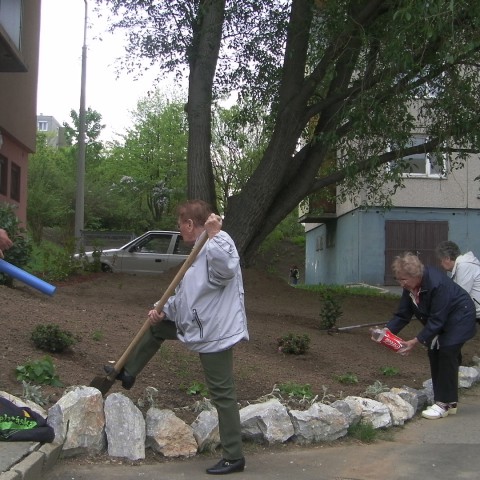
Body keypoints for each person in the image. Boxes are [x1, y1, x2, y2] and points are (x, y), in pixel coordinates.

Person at [105, 200, 249, 475]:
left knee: (223, 393)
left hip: (214, 331)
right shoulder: (198, 249)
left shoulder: (219, 243)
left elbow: (227, 269)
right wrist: (163, 309)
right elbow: (187, 294)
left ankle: (234, 457)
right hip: (197, 323)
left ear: (190, 224)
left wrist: (216, 233)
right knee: (157, 327)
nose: (179, 229)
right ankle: (128, 372)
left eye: (180, 224)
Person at [384, 252, 476, 420]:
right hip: (445, 319)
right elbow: (402, 314)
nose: (400, 283)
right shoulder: (410, 287)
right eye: (398, 279)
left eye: (403, 279)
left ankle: (443, 403)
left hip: (460, 317)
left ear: (416, 275)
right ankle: (449, 403)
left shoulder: (436, 284)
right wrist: (386, 332)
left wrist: (416, 340)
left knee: (447, 351)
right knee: (434, 351)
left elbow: (437, 319)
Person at [435, 240, 480, 322]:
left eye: (441, 260)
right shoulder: (460, 267)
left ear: (447, 258)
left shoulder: (464, 266)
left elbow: (460, 296)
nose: (441, 264)